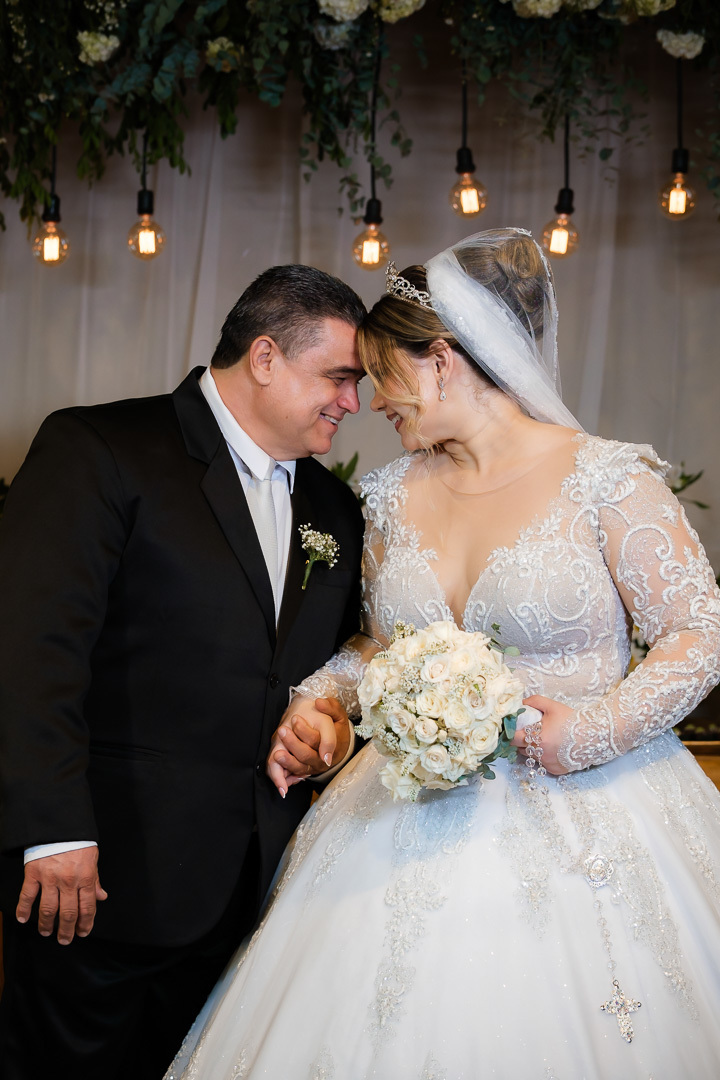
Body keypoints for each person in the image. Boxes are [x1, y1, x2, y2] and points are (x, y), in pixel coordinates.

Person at [168, 228, 720, 1080]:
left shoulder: (609, 480)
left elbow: (699, 632)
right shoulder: (387, 495)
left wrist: (589, 732)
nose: (368, 402)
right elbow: (378, 647)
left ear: (443, 360)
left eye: (380, 373)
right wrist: (322, 702)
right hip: (399, 811)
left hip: (591, 806)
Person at [0, 264, 368, 1080]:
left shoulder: (336, 511)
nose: (352, 401)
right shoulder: (100, 450)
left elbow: (337, 672)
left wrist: (329, 733)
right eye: (339, 377)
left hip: (257, 899)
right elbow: (29, 649)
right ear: (265, 357)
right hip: (99, 881)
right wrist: (54, 830)